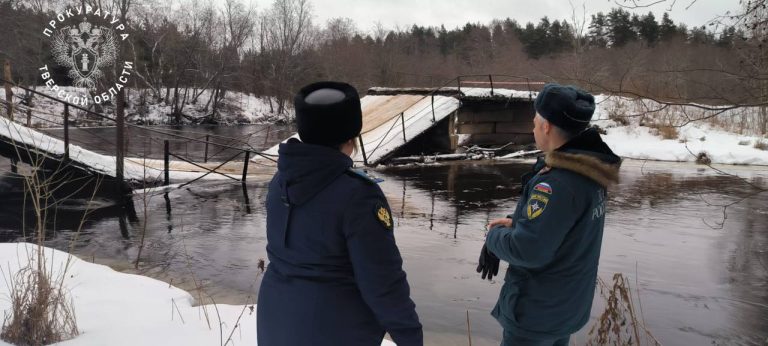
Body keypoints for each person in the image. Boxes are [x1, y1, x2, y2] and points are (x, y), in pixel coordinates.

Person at [257, 81, 423, 346]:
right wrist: (410, 335)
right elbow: (382, 282)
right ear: (350, 136)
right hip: (336, 328)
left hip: (277, 318)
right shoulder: (358, 195)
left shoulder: (281, 179)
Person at [476, 83, 622, 346]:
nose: (532, 129)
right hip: (564, 308)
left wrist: (494, 238)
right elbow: (566, 228)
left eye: (534, 123)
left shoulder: (555, 184)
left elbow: (528, 250)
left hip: (536, 312)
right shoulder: (590, 172)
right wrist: (517, 222)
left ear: (546, 126)